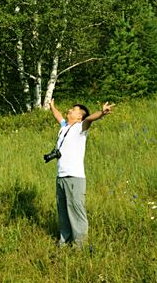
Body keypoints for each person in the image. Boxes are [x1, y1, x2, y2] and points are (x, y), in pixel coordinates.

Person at [49, 98, 115, 248]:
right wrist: (52, 107)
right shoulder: (64, 127)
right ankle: (64, 242)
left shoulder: (81, 127)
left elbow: (90, 119)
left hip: (75, 177)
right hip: (61, 176)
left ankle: (80, 246)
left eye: (73, 110)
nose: (69, 111)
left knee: (76, 211)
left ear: (79, 116)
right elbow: (58, 116)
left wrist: (102, 113)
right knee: (63, 211)